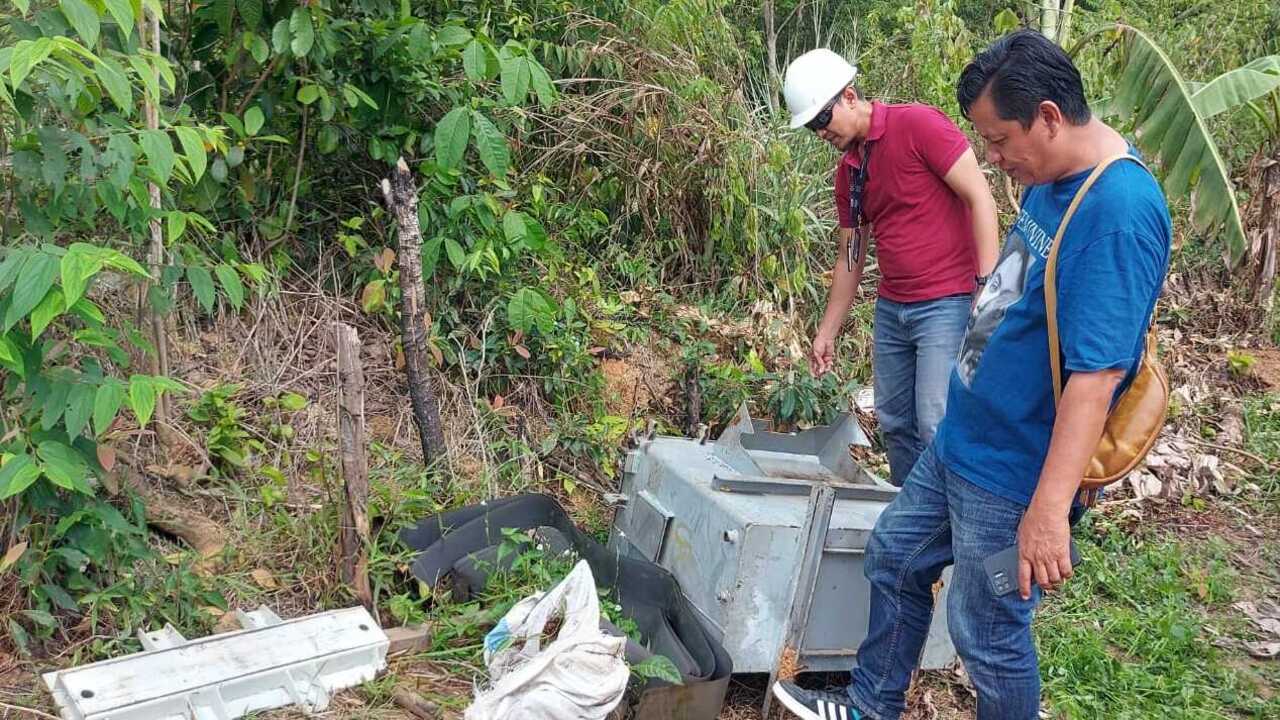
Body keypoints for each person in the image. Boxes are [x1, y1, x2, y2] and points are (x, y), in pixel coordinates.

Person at [773, 30, 1172, 720]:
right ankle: (872, 706)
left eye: (999, 140)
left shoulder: (1118, 214)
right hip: (965, 440)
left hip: (1012, 473)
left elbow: (1094, 380)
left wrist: (1047, 513)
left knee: (986, 633)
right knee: (894, 558)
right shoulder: (1049, 180)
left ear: (1049, 117)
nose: (991, 158)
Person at [783, 49, 999, 487]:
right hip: (894, 309)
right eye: (811, 126)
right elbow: (851, 253)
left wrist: (987, 285)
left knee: (935, 421)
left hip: (947, 301)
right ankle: (908, 521)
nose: (819, 132)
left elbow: (980, 196)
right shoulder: (849, 172)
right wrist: (827, 331)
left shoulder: (917, 125)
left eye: (822, 119)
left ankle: (955, 531)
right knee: (895, 422)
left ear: (848, 96)